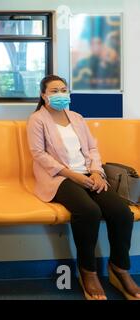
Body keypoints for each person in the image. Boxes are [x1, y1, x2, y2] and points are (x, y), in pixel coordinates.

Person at [27, 74, 139, 300]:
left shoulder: (77, 117)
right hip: (59, 177)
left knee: (121, 213)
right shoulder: (37, 120)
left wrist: (97, 172)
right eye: (54, 91)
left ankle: (119, 268)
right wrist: (74, 176)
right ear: (43, 95)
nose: (60, 94)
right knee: (88, 211)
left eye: (63, 90)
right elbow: (39, 155)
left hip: (90, 175)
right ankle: (88, 271)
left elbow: (93, 149)